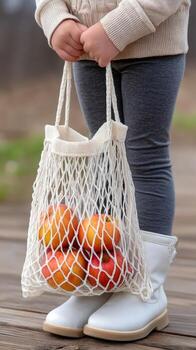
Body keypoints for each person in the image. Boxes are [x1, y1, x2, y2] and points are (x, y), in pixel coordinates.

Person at [35, 0, 190, 342]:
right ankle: (104, 280)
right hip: (86, 51)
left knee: (144, 158)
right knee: (104, 158)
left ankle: (145, 289)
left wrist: (116, 28)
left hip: (153, 48)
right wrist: (56, 19)